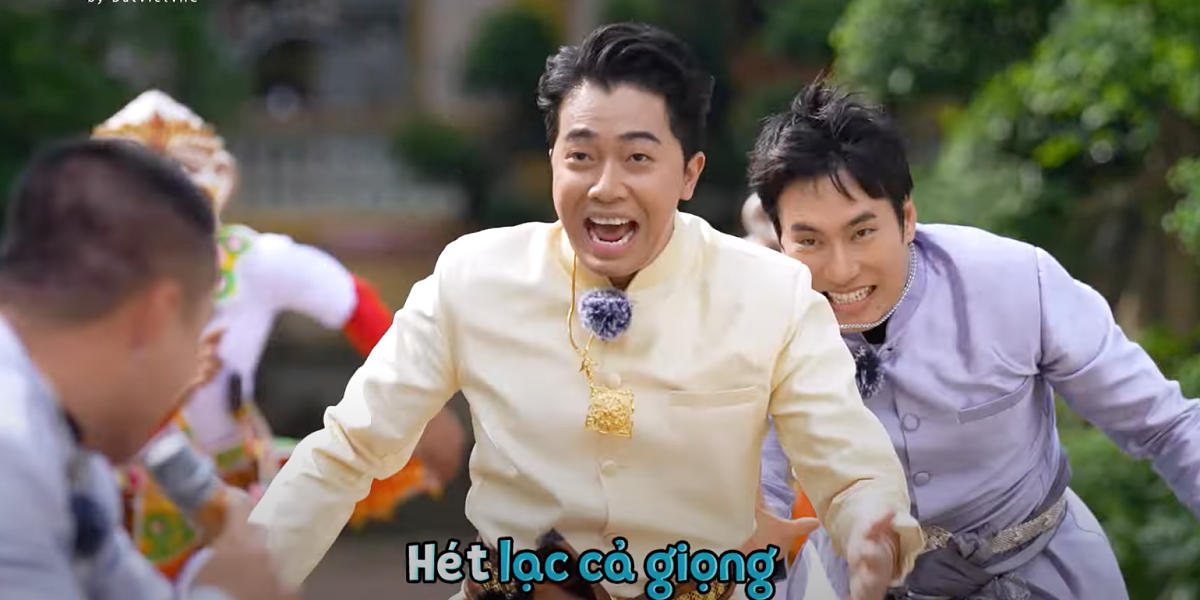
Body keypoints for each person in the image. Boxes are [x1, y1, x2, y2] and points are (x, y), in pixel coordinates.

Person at [249, 22, 926, 600]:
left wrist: (874, 532)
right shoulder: (472, 277)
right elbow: (348, 450)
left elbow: (850, 470)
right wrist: (236, 584)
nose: (605, 186)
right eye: (581, 156)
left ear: (689, 173)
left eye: (637, 157)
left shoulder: (772, 293)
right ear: (552, 162)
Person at [752, 81, 1200, 599]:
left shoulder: (1014, 281)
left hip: (1041, 572)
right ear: (779, 240)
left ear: (906, 219)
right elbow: (756, 503)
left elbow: (1165, 424)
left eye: (862, 232)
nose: (841, 269)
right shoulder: (762, 331)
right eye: (809, 240)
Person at [90, 90, 467, 580]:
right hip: (115, 487)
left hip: (231, 482)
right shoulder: (80, 276)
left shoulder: (252, 261)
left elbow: (352, 301)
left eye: (180, 169)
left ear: (221, 177)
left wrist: (423, 406)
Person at [0, 138, 285, 600]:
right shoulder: (11, 447)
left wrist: (227, 575)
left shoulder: (77, 453)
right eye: (200, 332)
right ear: (155, 316)